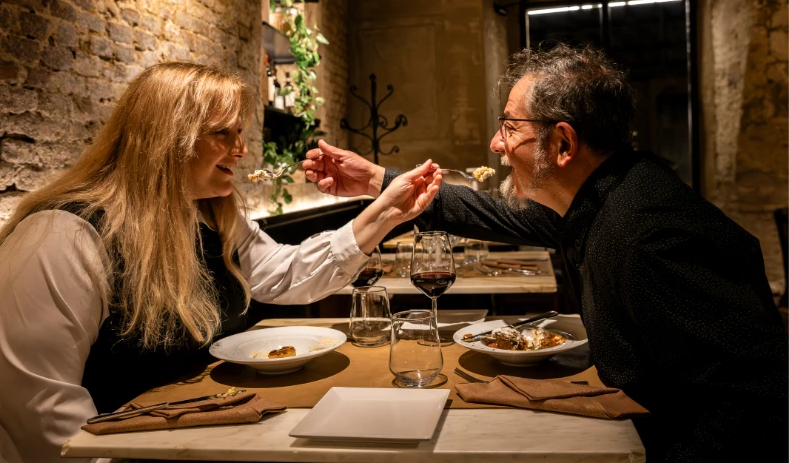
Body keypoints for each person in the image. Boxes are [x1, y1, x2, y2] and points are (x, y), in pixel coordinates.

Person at [304, 44, 789, 462]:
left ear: (562, 143)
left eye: (510, 128)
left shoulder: (652, 235)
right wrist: (374, 181)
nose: (496, 144)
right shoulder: (601, 198)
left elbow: (757, 403)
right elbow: (485, 212)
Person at [0, 62, 442, 463]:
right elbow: (41, 413)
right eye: (222, 133)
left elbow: (284, 275)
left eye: (240, 132)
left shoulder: (209, 215)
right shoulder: (61, 237)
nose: (241, 149)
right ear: (165, 139)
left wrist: (387, 212)